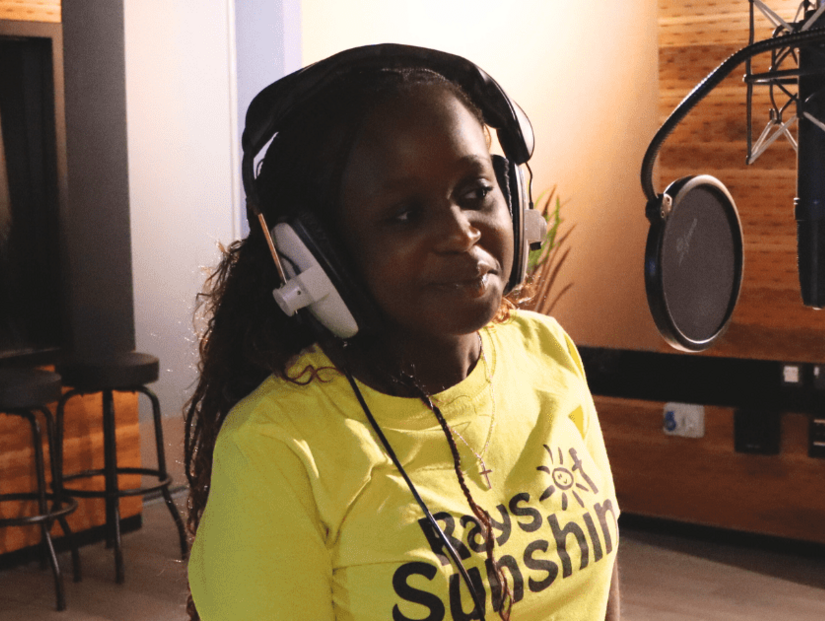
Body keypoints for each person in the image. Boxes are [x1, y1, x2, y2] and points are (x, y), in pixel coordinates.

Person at [184, 44, 620, 621]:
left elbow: (604, 584)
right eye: (405, 214)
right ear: (320, 258)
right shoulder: (275, 450)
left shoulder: (548, 352)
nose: (462, 233)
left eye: (475, 193)